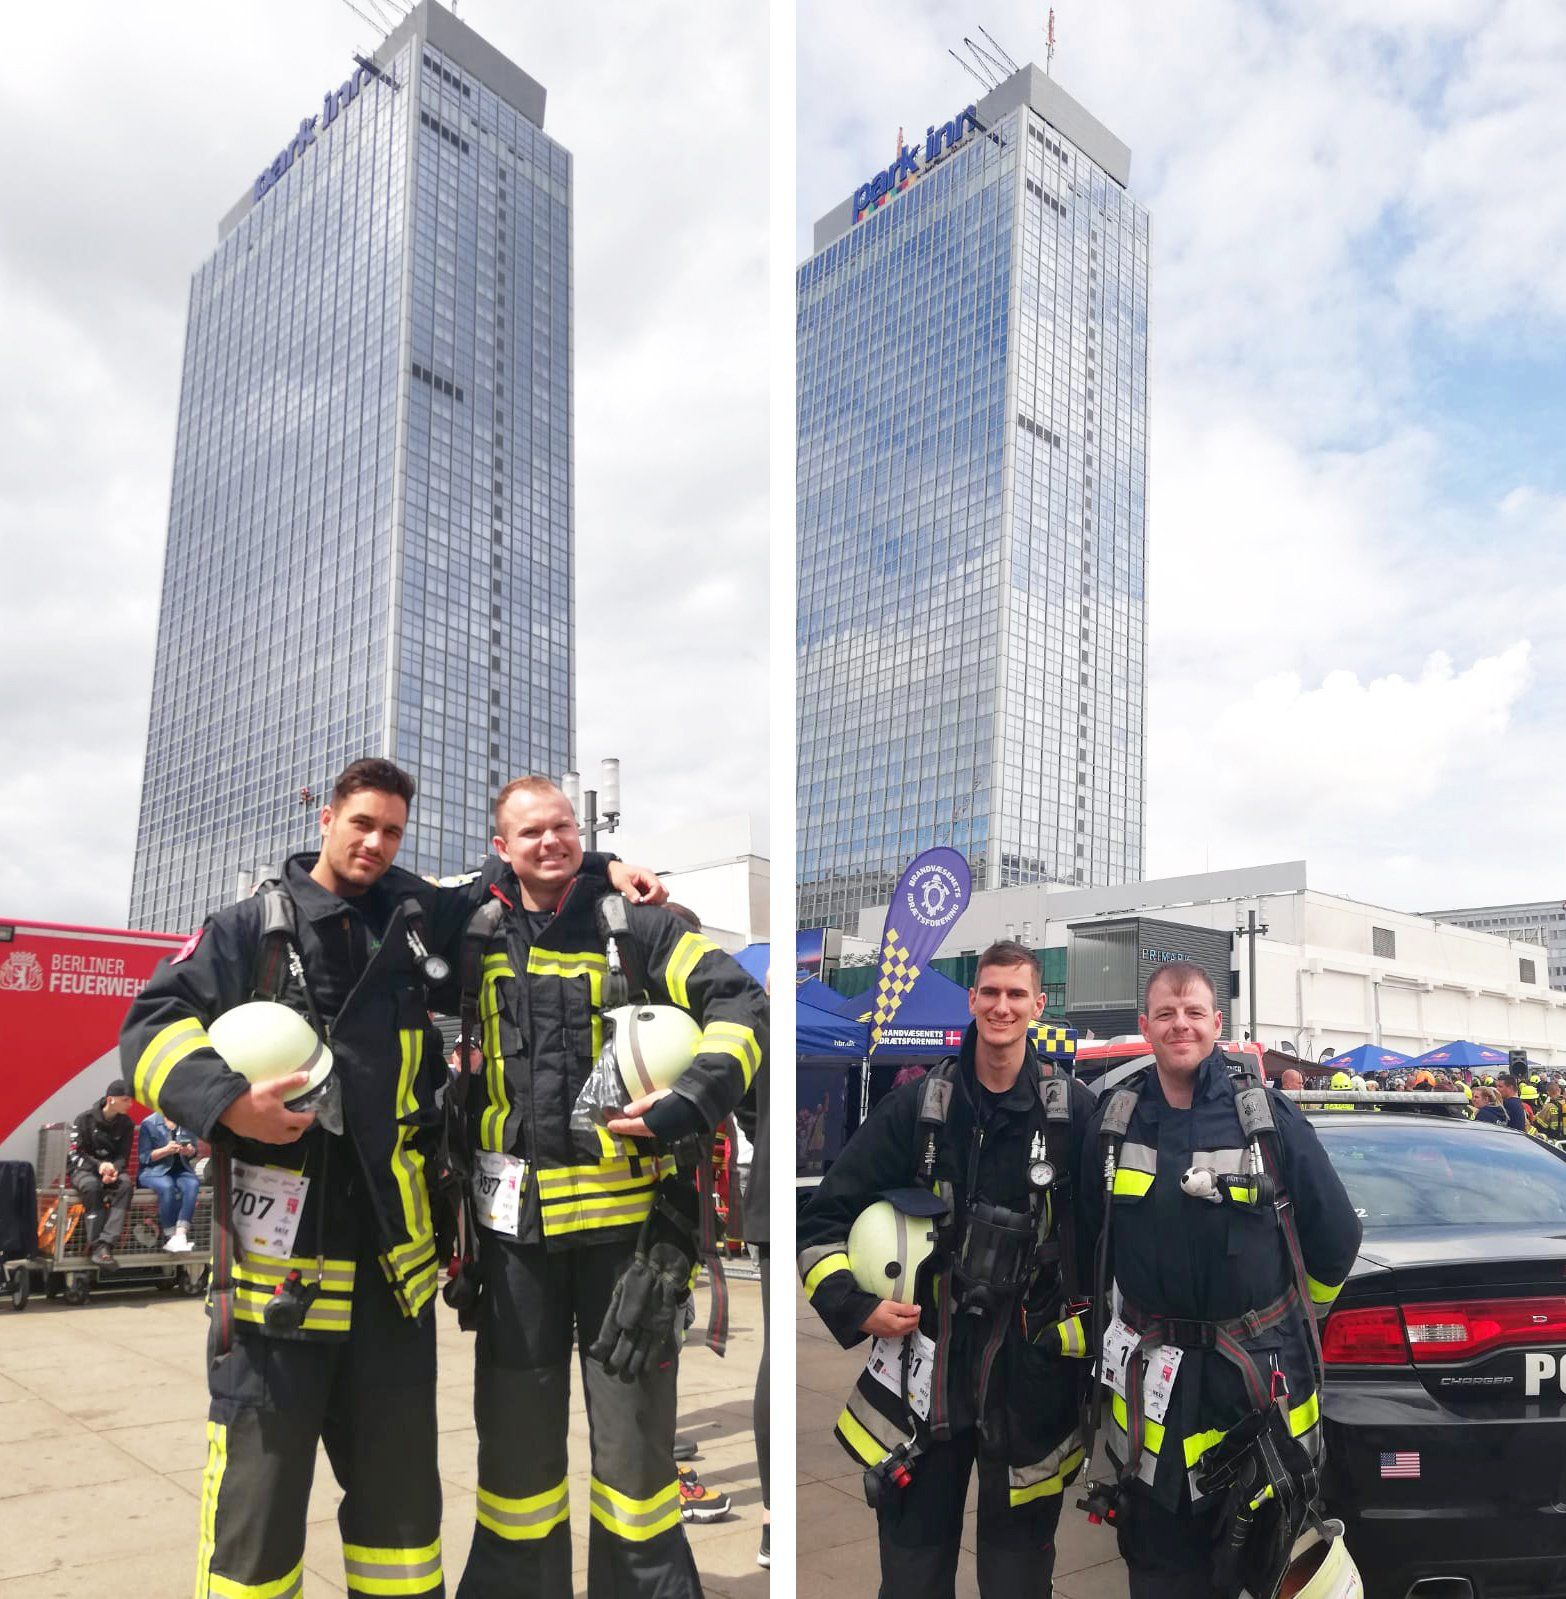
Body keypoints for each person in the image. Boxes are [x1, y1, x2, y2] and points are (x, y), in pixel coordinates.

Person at [120, 758, 661, 1599]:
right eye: (361, 823)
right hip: (278, 1285)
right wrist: (226, 1103)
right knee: (255, 1530)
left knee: (403, 1531)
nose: (375, 842)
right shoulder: (249, 930)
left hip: (391, 1281)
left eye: (392, 831)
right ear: (328, 818)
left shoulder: (418, 916)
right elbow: (151, 1027)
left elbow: (516, 870)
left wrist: (599, 867)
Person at [455, 776, 767, 1599]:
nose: (550, 842)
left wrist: (694, 1097)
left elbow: (743, 1000)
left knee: (636, 1469)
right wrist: (602, 859)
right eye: (531, 833)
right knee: (516, 1469)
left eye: (563, 827)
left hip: (629, 1251)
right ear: (502, 847)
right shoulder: (472, 929)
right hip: (512, 1247)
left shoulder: (643, 927)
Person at [798, 941, 1095, 1599]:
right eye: (990, 991)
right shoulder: (919, 1107)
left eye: (1017, 994)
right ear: (972, 998)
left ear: (1038, 1006)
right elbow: (821, 1219)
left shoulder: (1073, 1114)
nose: (1002, 1005)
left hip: (1029, 1384)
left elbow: (1111, 1242)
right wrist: (855, 1305)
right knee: (911, 1577)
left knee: (1017, 1581)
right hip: (923, 1374)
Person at [1079, 962, 1362, 1599]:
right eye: (1166, 1014)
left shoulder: (1268, 1119)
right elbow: (1084, 1242)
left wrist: (1299, 1321)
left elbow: (1337, 1239)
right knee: (1156, 1568)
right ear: (1144, 1026)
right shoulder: (1113, 1124)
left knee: (1260, 1568)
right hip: (1151, 1391)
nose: (1180, 1024)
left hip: (1254, 1395)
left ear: (1217, 1024)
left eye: (1194, 1013)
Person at [68, 1080, 135, 1267]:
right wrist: (99, 1166)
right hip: (83, 1169)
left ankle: (105, 1243)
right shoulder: (83, 1120)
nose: (130, 1105)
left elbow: (123, 1156)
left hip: (111, 1170)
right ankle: (96, 1245)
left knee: (126, 1185)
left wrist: (114, 1170)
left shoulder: (126, 1124)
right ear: (110, 1100)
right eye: (126, 1100)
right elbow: (75, 1153)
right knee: (92, 1186)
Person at [136, 1109, 201, 1251]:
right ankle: (170, 1234)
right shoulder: (149, 1123)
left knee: (193, 1183)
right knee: (167, 1186)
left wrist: (190, 1151)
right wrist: (166, 1150)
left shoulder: (187, 1122)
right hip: (153, 1172)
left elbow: (194, 1151)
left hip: (180, 1170)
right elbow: (144, 1157)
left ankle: (181, 1234)